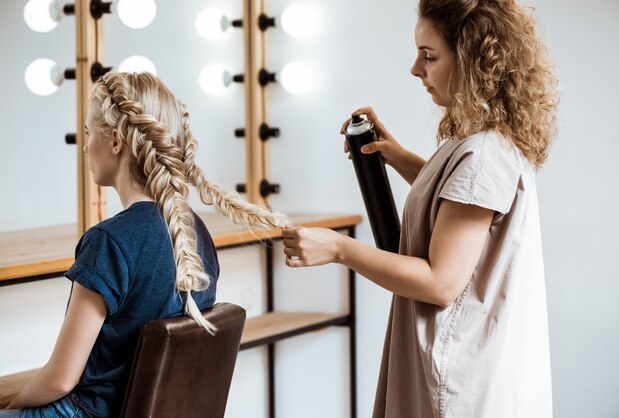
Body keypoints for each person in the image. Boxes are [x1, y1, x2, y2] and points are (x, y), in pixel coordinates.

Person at [282, 0, 558, 416]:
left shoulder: (483, 154)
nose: (416, 69)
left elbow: (441, 282)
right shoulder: (484, 144)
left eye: (429, 56)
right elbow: (455, 203)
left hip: (457, 383)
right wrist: (395, 156)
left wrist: (339, 250)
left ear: (473, 61)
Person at [0, 72, 289, 417]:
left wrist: (12, 407)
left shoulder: (108, 242)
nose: (85, 145)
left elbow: (60, 379)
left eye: (90, 133)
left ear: (117, 142)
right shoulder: (194, 232)